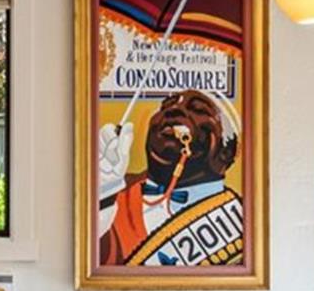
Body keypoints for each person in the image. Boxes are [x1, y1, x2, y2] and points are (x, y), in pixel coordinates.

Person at [97, 88, 244, 267]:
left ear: (226, 152)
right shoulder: (111, 194)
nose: (174, 109)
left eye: (198, 110)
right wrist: (102, 191)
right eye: (166, 105)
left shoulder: (243, 222)